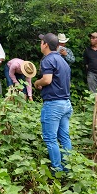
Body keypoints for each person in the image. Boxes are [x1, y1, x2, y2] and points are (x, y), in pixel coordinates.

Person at [34, 33, 72, 172]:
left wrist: (37, 82)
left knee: (50, 139)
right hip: (66, 103)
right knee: (64, 137)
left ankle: (57, 170)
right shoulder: (63, 60)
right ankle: (69, 168)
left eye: (41, 42)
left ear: (45, 44)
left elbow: (47, 80)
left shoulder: (47, 60)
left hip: (53, 104)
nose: (40, 44)